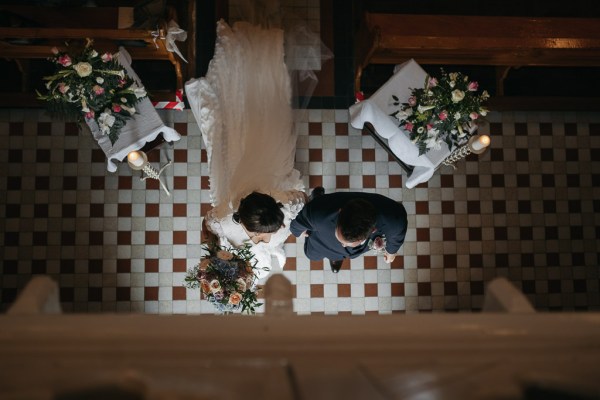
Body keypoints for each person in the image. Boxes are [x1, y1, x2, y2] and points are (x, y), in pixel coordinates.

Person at [186, 20, 307, 280]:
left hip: (245, 176)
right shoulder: (237, 218)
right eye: (263, 236)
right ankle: (274, 251)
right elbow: (300, 198)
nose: (263, 238)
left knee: (234, 130)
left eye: (261, 236)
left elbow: (207, 224)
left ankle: (246, 59)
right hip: (263, 182)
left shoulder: (225, 219)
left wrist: (212, 250)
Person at [290, 191, 408, 273]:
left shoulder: (394, 218)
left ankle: (336, 257)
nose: (343, 245)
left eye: (347, 243)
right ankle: (317, 196)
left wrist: (391, 252)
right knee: (311, 255)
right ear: (340, 212)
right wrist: (301, 231)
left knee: (328, 254)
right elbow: (296, 225)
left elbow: (397, 235)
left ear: (372, 230)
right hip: (322, 240)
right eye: (343, 241)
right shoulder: (318, 212)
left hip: (327, 237)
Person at [203, 191, 306, 279]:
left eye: (272, 231)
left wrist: (304, 226)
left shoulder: (288, 203)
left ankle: (274, 244)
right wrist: (215, 251)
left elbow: (305, 198)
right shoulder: (221, 220)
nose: (266, 240)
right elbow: (206, 223)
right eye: (256, 234)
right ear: (242, 222)